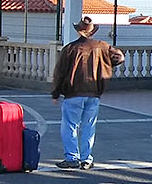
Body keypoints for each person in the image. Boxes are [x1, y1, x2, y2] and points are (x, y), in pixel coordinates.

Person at [50, 16, 125, 170]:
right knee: (88, 127)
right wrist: (105, 64)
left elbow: (60, 73)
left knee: (70, 126)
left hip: (73, 93)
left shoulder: (70, 49)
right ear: (92, 32)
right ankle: (86, 159)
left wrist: (55, 93)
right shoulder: (102, 46)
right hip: (94, 92)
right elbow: (119, 57)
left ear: (78, 31)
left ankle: (72, 157)